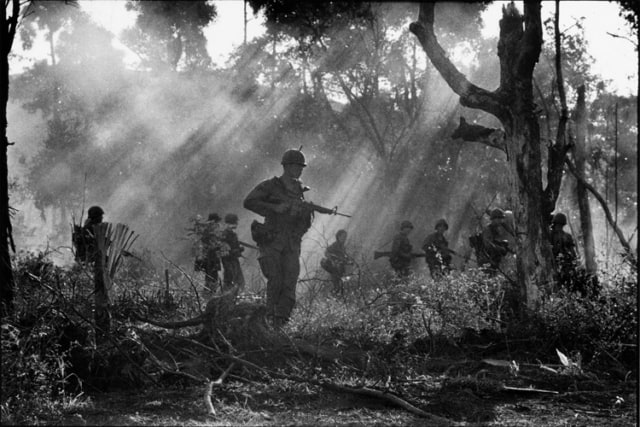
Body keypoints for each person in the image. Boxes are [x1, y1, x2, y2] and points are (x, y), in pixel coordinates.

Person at [244, 148, 314, 327]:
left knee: (289, 282)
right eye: (297, 166)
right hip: (272, 241)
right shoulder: (270, 186)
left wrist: (302, 214)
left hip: (291, 243)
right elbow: (249, 202)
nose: (300, 170)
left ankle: (281, 322)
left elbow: (305, 223)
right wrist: (275, 208)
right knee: (275, 280)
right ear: (287, 166)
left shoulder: (300, 190)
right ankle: (268, 320)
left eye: (301, 167)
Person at [477, 208, 511, 275]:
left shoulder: (495, 229)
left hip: (493, 259)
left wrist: (503, 245)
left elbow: (494, 242)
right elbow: (488, 245)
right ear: (495, 219)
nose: (501, 221)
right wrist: (501, 248)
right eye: (500, 218)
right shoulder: (488, 230)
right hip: (487, 260)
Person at [321, 229, 352, 295]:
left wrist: (348, 261)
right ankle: (332, 295)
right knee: (337, 285)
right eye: (343, 236)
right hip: (335, 268)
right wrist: (333, 261)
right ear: (338, 237)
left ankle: (336, 295)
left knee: (341, 284)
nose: (345, 238)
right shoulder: (335, 245)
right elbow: (326, 253)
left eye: (345, 236)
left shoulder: (342, 247)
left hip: (340, 268)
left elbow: (344, 257)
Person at [221, 213, 246, 292]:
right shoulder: (225, 234)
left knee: (238, 279)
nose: (237, 224)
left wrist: (238, 249)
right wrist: (238, 250)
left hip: (233, 259)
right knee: (231, 279)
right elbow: (225, 250)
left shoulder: (231, 233)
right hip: (228, 260)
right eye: (235, 222)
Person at [202, 213, 224, 293]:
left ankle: (209, 292)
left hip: (211, 256)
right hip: (211, 257)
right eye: (216, 222)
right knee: (212, 275)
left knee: (211, 275)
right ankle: (209, 292)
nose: (218, 224)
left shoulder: (207, 230)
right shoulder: (209, 231)